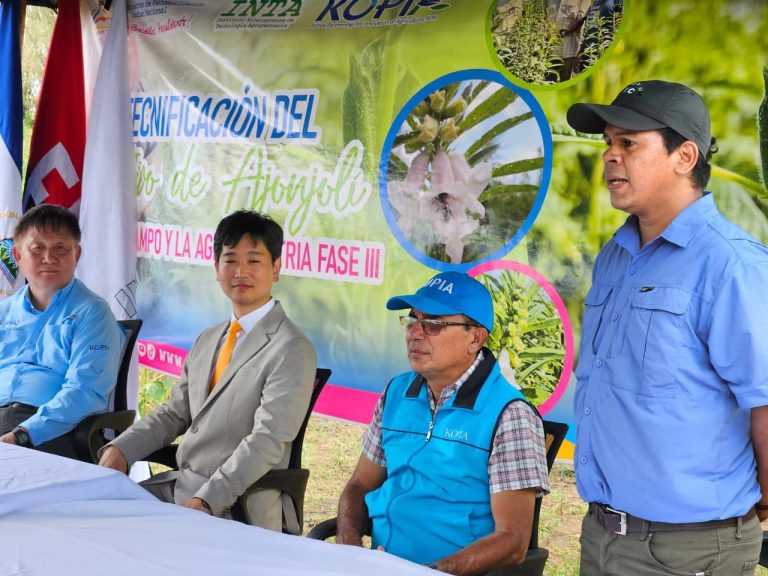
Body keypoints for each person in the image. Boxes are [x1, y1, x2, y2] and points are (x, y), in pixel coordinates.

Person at [567, 80, 768, 575]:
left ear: (684, 156)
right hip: (603, 537)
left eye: (629, 143)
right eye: (608, 143)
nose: (611, 156)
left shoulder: (731, 264)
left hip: (691, 550)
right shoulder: (615, 256)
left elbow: (765, 400)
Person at [98, 210, 316, 532]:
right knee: (95, 518)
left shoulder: (291, 348)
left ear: (277, 268)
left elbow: (267, 440)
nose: (240, 271)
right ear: (216, 269)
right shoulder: (208, 338)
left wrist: (208, 500)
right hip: (180, 488)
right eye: (230, 260)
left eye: (254, 261)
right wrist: (122, 448)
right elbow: (174, 413)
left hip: (236, 507)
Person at [336, 271, 549, 575]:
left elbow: (513, 541)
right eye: (412, 321)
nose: (415, 334)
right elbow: (359, 484)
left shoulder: (510, 414)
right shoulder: (396, 392)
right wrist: (348, 539)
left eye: (434, 324)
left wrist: (430, 572)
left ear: (475, 338)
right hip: (380, 564)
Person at [0, 204, 122, 458]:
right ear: (18, 256)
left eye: (60, 248)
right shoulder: (4, 311)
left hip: (44, 430)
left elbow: (85, 392)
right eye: (37, 249)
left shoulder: (93, 313)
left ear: (77, 254)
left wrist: (23, 434)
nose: (49, 258)